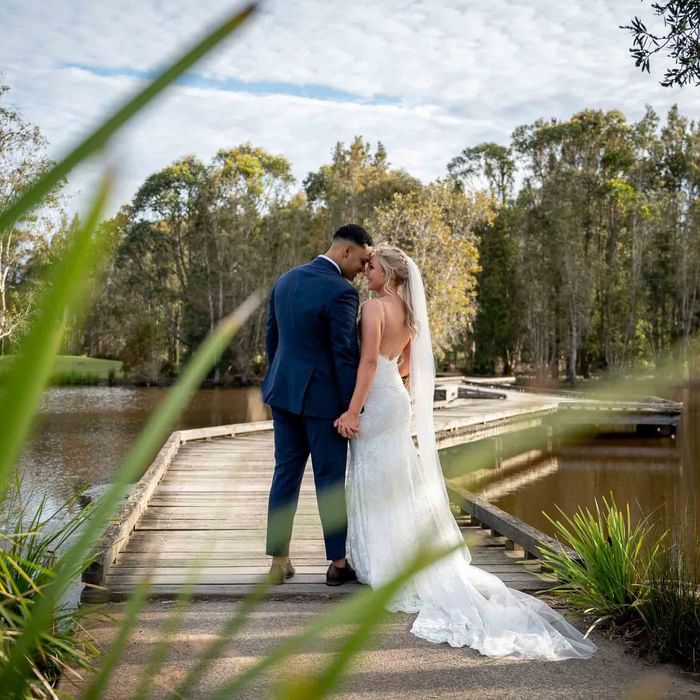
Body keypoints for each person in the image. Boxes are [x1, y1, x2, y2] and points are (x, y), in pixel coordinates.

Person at [336, 243, 597, 660]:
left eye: (372, 268)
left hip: (377, 402)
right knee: (398, 478)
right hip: (396, 402)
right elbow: (405, 366)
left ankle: (382, 563)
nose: (367, 273)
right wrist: (387, 371)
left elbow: (368, 363)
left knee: (375, 477)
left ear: (389, 272)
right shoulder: (409, 314)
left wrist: (352, 410)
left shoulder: (373, 309)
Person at [262, 224, 373, 586]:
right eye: (361, 260)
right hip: (324, 402)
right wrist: (351, 408)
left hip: (284, 394)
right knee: (329, 481)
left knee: (285, 474)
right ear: (345, 252)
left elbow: (272, 341)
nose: (362, 269)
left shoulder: (285, 280)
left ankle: (279, 561)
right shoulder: (342, 292)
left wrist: (279, 379)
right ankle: (338, 564)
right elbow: (343, 354)